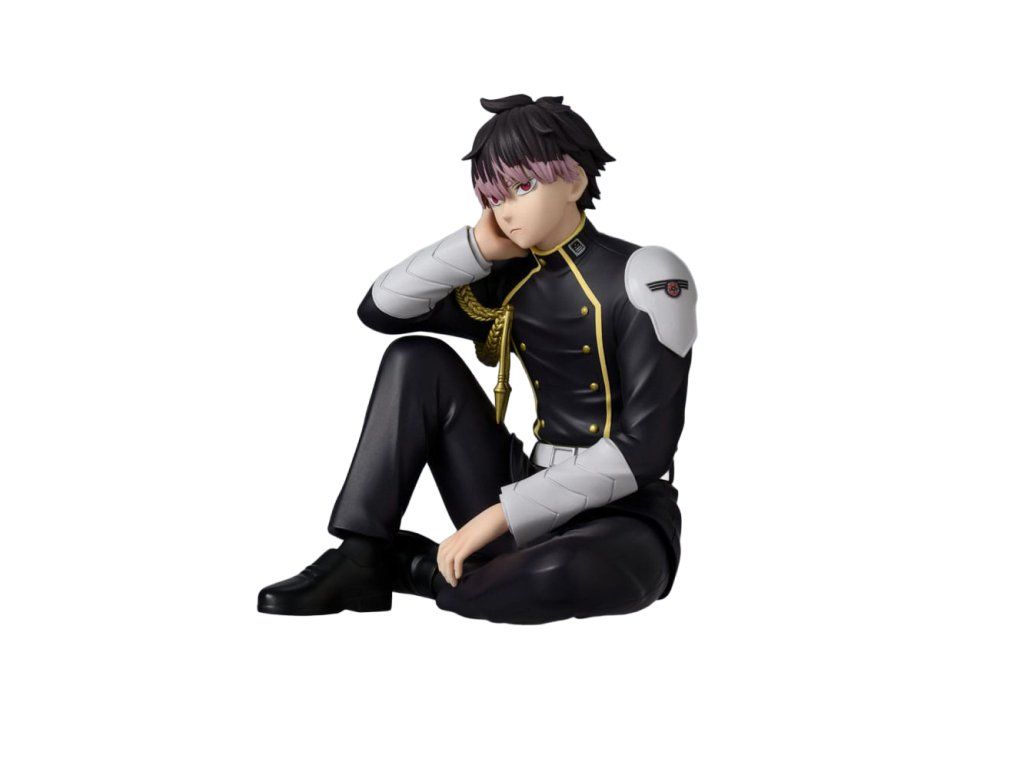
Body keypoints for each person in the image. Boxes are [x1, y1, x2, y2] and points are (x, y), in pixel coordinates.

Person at [257, 94, 697, 624]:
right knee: (415, 358)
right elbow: (380, 310)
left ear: (574, 182)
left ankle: (415, 569)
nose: (506, 210)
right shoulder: (508, 281)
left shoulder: (645, 274)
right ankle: (361, 554)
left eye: (523, 187)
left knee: (559, 572)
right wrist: (475, 248)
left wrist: (501, 515)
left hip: (624, 516)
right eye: (493, 195)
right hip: (523, 481)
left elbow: (646, 448)